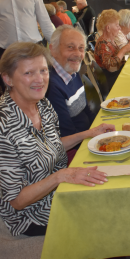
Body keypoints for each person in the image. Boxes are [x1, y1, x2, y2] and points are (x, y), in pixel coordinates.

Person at [0, 41, 114, 237]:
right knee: (105, 218)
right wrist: (61, 176)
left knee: (111, 192)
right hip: (32, 215)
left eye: (43, 71)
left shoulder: (42, 105)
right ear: (8, 79)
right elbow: (17, 200)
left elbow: (50, 146)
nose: (39, 79)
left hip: (59, 191)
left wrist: (89, 133)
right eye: (28, 73)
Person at [47, 25, 99, 163]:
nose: (77, 54)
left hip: (86, 138)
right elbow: (67, 133)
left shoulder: (72, 72)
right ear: (53, 50)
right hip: (76, 150)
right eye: (70, 47)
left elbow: (86, 109)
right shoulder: (51, 86)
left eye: (81, 48)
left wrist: (98, 129)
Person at [94, 9, 130, 88]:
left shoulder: (110, 40)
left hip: (117, 75)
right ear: (108, 28)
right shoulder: (102, 43)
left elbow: (117, 59)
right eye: (117, 25)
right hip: (111, 81)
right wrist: (123, 50)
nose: (119, 28)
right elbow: (111, 67)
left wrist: (127, 53)